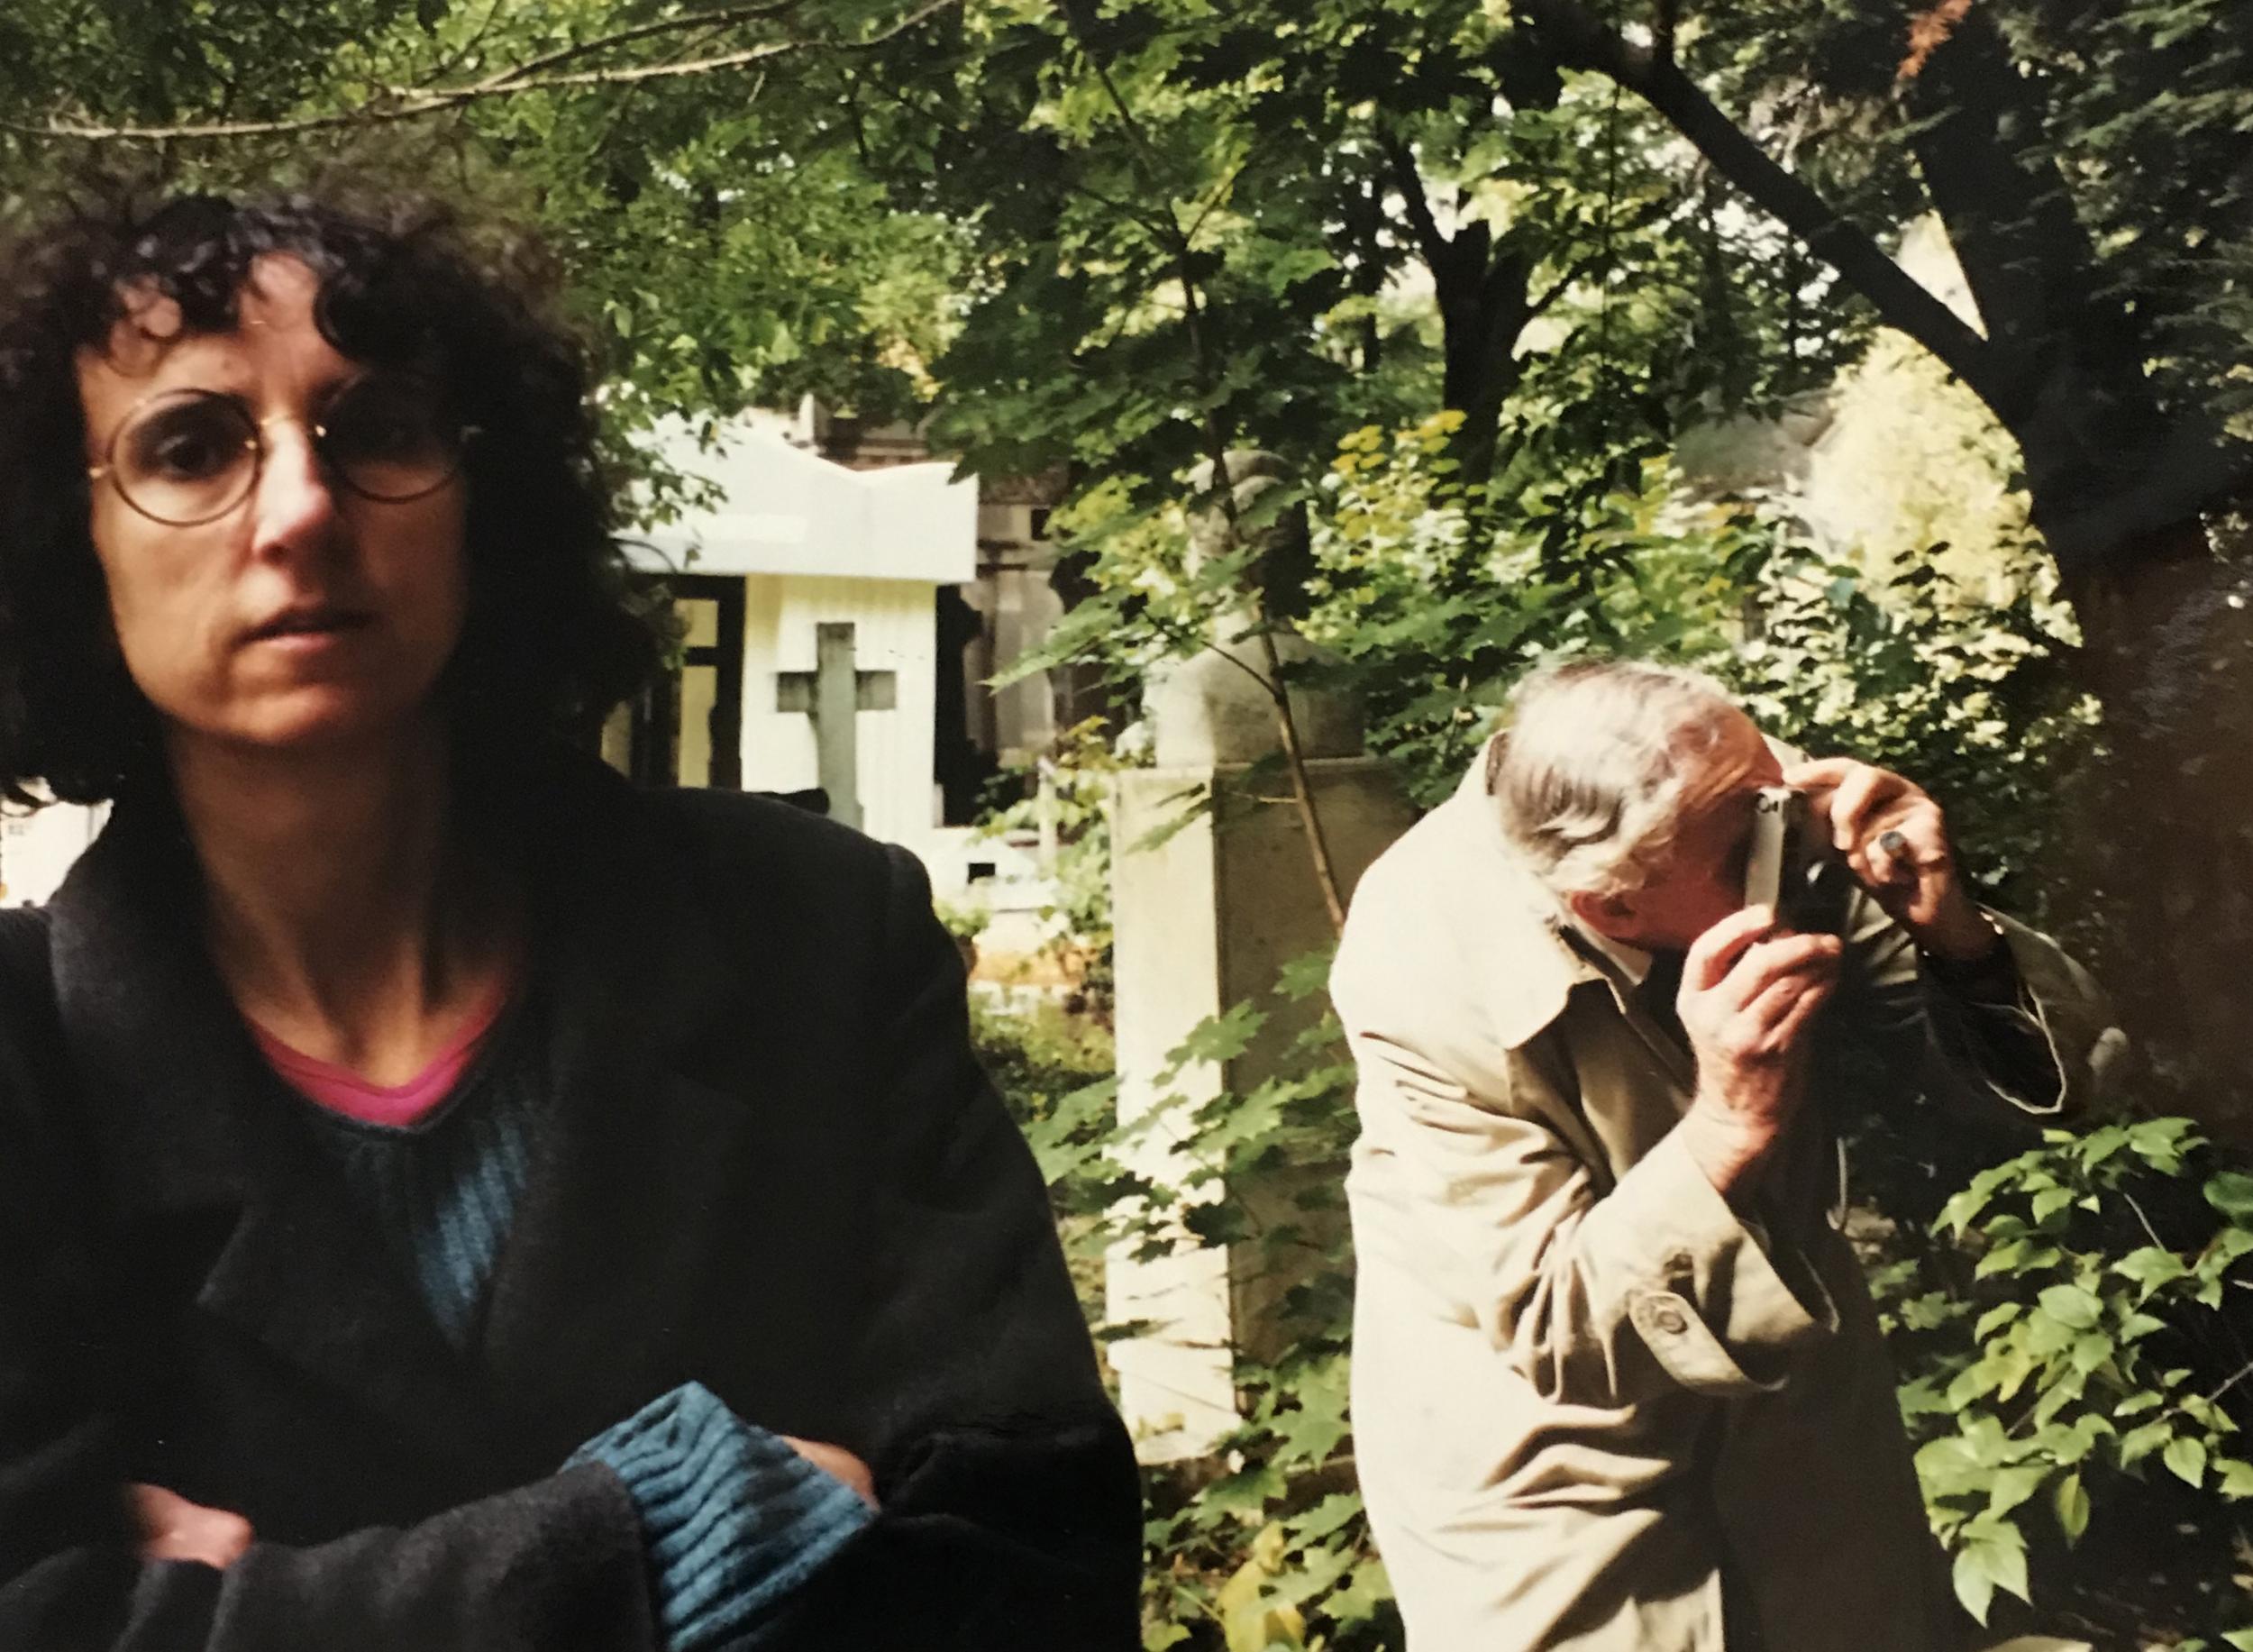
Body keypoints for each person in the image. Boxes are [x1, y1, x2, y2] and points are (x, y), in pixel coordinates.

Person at [0, 185, 1141, 1650]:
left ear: (488, 499)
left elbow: (1037, 1569)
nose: (298, 508)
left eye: (380, 428)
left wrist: (252, 1612)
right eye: (191, 445)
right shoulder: (24, 1072)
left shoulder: (815, 939)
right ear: (63, 535)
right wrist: (668, 1527)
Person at [1331, 659, 2121, 1651]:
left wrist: (1951, 930)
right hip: (1554, 1476)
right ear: (1609, 906)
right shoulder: (1423, 966)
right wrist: (1726, 1126)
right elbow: (1555, 1327)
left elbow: (2052, 1090)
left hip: (1800, 1426)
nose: (1787, 831)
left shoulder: (1727, 798)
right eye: (1751, 831)